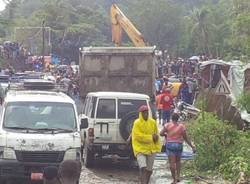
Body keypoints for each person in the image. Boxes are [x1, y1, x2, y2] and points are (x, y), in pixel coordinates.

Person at [160, 113, 196, 184]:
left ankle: (174, 179)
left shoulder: (167, 125)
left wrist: (165, 134)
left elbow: (161, 133)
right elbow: (186, 138)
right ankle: (178, 176)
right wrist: (192, 147)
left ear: (171, 118)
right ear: (178, 119)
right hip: (179, 146)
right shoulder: (181, 126)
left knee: (172, 163)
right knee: (178, 161)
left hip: (170, 146)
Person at [132, 105, 161, 184]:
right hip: (139, 148)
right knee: (143, 168)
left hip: (151, 149)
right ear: (141, 114)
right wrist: (151, 138)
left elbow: (156, 134)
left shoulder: (152, 122)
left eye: (147, 112)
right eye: (144, 113)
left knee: (149, 170)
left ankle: (146, 182)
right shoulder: (137, 123)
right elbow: (138, 136)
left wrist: (158, 147)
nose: (146, 114)